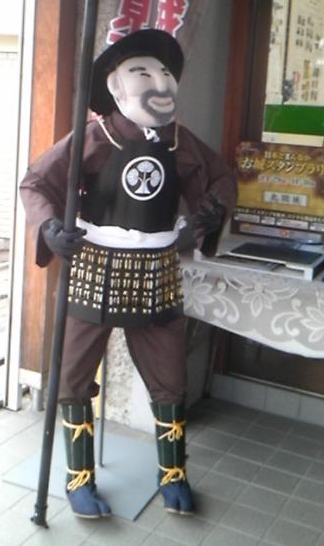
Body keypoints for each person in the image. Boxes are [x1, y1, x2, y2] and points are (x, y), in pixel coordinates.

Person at [20, 28, 237, 519]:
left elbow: (220, 178)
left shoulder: (181, 141)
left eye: (165, 73)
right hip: (94, 264)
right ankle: (79, 479)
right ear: (115, 88)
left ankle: (173, 473)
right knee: (73, 375)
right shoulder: (94, 136)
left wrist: (205, 216)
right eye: (142, 72)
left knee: (170, 375)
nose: (159, 82)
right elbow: (37, 181)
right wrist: (51, 227)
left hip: (157, 269)